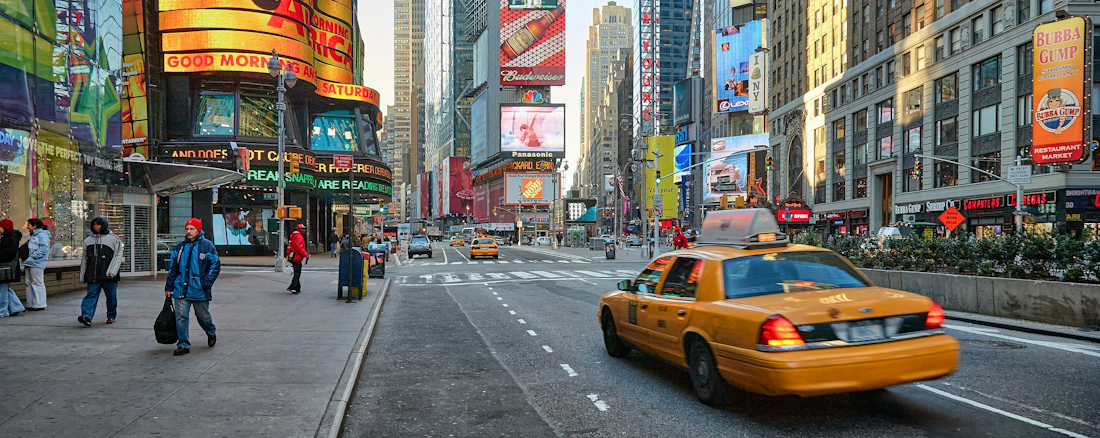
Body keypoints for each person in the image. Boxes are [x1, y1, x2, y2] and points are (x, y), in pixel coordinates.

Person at [164, 218, 221, 356]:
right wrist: (169, 287)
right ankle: (183, 344)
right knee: (181, 316)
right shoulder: (180, 247)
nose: (189, 232)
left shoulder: (207, 246)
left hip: (199, 289)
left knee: (203, 316)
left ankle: (211, 332)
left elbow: (215, 265)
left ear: (198, 230)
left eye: (192, 229)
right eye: (187, 229)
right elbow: (173, 269)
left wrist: (205, 283)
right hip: (180, 288)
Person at [77, 217, 124, 326]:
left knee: (111, 296)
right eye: (94, 225)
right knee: (91, 295)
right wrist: (83, 274)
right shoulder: (88, 241)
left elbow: (118, 257)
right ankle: (86, 316)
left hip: (108, 274)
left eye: (98, 224)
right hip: (93, 274)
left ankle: (111, 315)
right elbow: (84, 259)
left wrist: (112, 272)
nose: (95, 227)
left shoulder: (114, 239)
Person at [22, 218, 50, 311]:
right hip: (30, 262)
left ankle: (39, 303)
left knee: (37, 282)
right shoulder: (34, 235)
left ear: (34, 226)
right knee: (29, 283)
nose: (27, 227)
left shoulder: (41, 235)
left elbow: (44, 249)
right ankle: (31, 303)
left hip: (36, 262)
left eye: (29, 225)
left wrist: (33, 257)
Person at [0, 219, 25, 317]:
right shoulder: (10, 237)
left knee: (3, 289)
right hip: (8, 267)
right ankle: (16, 307)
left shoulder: (10, 239)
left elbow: (6, 253)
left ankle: (3, 311)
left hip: (6, 267)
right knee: (5, 288)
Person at [286, 223, 308, 294]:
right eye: (302, 229)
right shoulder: (298, 236)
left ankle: (297, 288)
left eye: (304, 228)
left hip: (293, 256)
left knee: (297, 272)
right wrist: (306, 255)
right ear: (299, 229)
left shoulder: (294, 235)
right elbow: (298, 247)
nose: (304, 230)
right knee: (297, 273)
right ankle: (293, 287)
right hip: (296, 257)